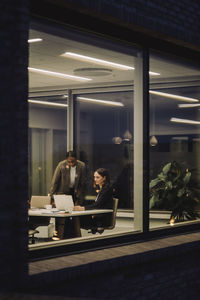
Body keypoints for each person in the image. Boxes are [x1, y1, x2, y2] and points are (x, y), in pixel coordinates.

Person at [49, 150, 86, 239]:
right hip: (62, 193)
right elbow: (55, 181)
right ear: (66, 160)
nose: (71, 163)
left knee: (75, 218)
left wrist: (78, 198)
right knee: (62, 217)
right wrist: (51, 196)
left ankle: (75, 238)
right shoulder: (61, 165)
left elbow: (82, 183)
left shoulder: (81, 166)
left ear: (76, 159)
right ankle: (60, 238)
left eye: (73, 161)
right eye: (69, 161)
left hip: (74, 193)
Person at [74, 168, 113, 234]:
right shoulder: (102, 189)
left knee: (75, 220)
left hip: (102, 220)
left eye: (97, 177)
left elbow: (98, 204)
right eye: (94, 177)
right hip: (99, 217)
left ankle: (72, 239)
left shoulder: (107, 189)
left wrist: (82, 208)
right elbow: (97, 204)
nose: (95, 179)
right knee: (74, 219)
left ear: (104, 178)